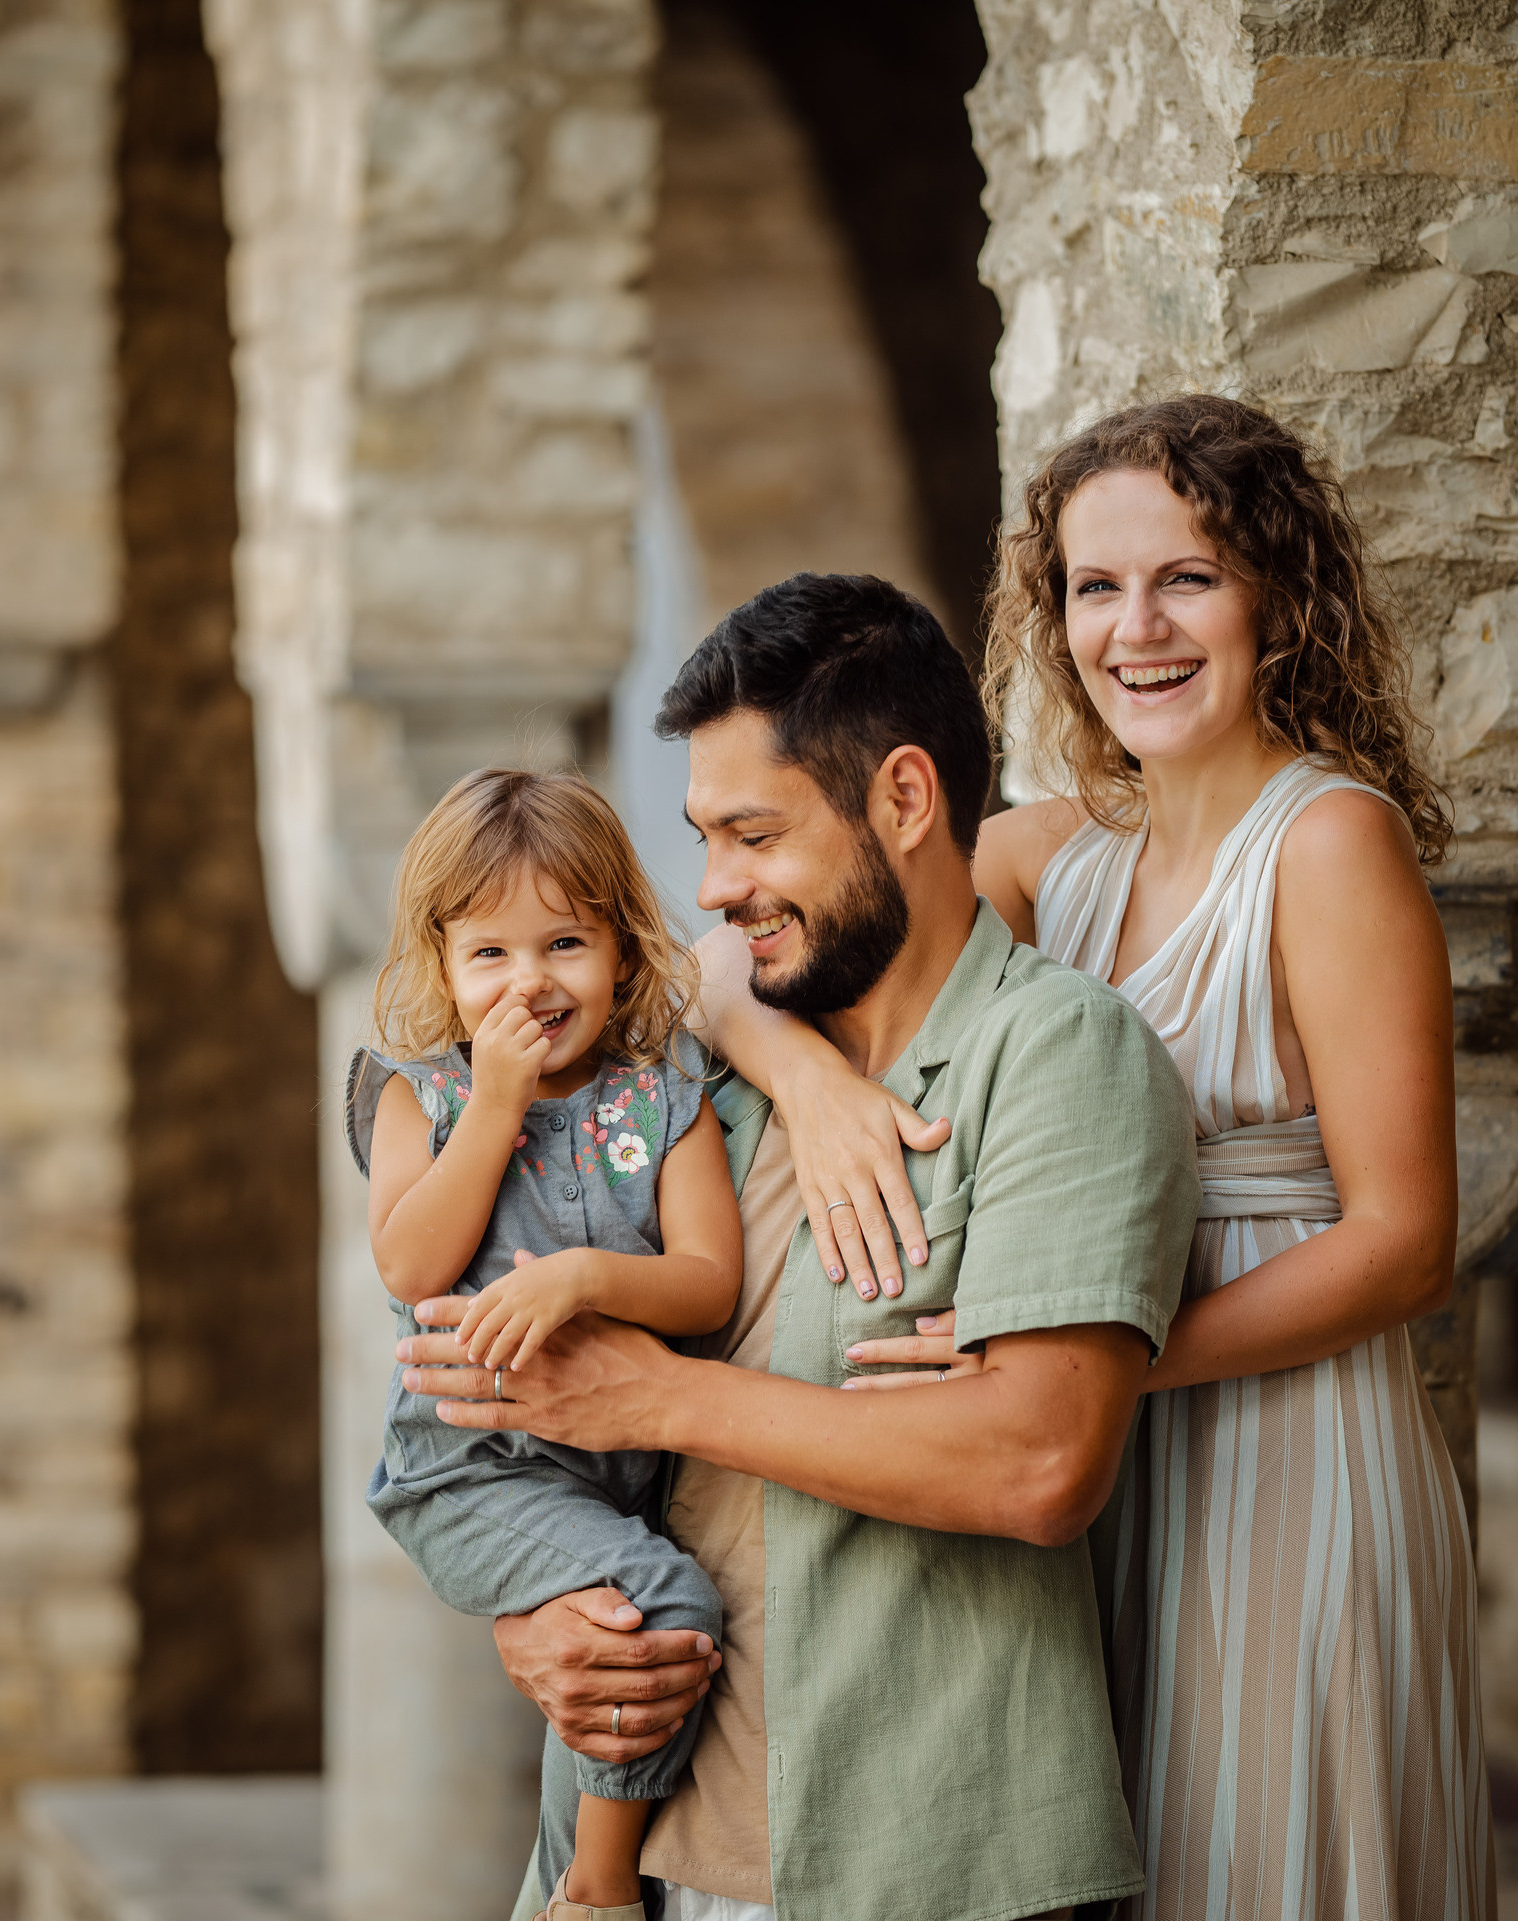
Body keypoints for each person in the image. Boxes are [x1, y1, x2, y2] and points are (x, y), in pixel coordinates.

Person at [752, 396, 1498, 1917]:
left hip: (1288, 1458)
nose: (1134, 628)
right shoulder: (1047, 857)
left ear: (1277, 598)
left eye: (1187, 579)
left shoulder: (1331, 844)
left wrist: (1097, 1364)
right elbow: (750, 933)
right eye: (1096, 586)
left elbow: (1408, 1237)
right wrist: (806, 1085)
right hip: (1100, 1461)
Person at [395, 574, 1199, 1921]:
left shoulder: (1060, 1053)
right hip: (642, 1862)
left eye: (755, 835)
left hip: (925, 1857)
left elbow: (1044, 1459)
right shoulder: (701, 1074)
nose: (717, 887)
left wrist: (655, 1392)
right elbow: (513, 1410)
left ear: (902, 798)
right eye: (706, 836)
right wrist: (536, 1614)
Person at [348, 769, 744, 1921]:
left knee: (613, 1643)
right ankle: (598, 1890)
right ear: (440, 967)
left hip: (615, 1471)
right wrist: (494, 1104)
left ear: (620, 944)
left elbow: (707, 1282)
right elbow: (410, 1265)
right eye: (490, 955)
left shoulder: (664, 1099)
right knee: (657, 1605)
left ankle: (578, 1876)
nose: (530, 982)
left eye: (564, 941)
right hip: (470, 1472)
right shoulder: (417, 1097)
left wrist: (583, 1278)